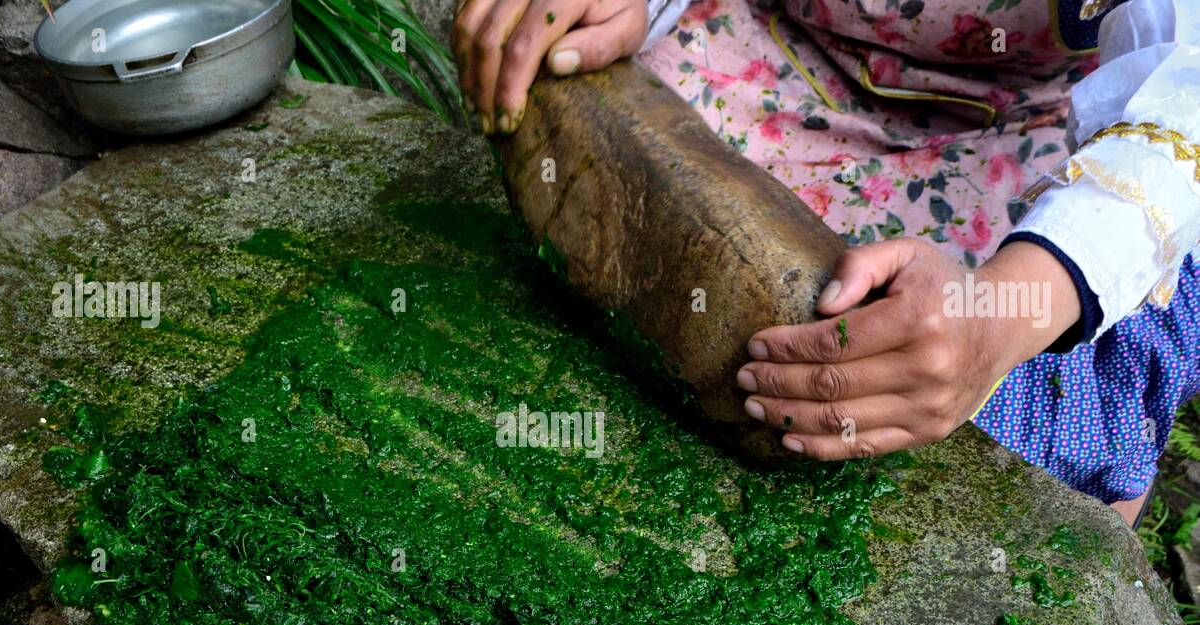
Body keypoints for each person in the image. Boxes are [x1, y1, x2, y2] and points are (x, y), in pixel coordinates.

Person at [451, 0, 1200, 526]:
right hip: (765, 51)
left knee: (965, 377)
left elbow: (1184, 80)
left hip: (1028, 132)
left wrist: (1012, 305)